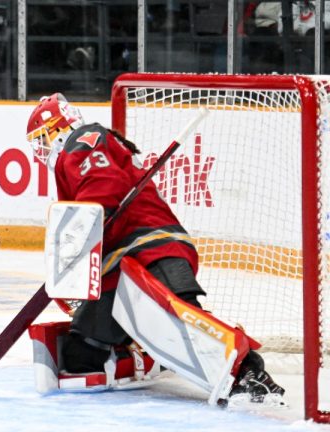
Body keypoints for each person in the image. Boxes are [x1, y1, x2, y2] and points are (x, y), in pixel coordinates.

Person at [25, 93, 285, 404]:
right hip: (118, 266)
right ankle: (140, 349)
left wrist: (87, 231)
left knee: (183, 321)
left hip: (150, 245)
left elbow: (103, 186)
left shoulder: (83, 140)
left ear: (58, 128)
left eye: (42, 139)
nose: (41, 149)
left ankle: (249, 370)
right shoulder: (79, 152)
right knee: (82, 354)